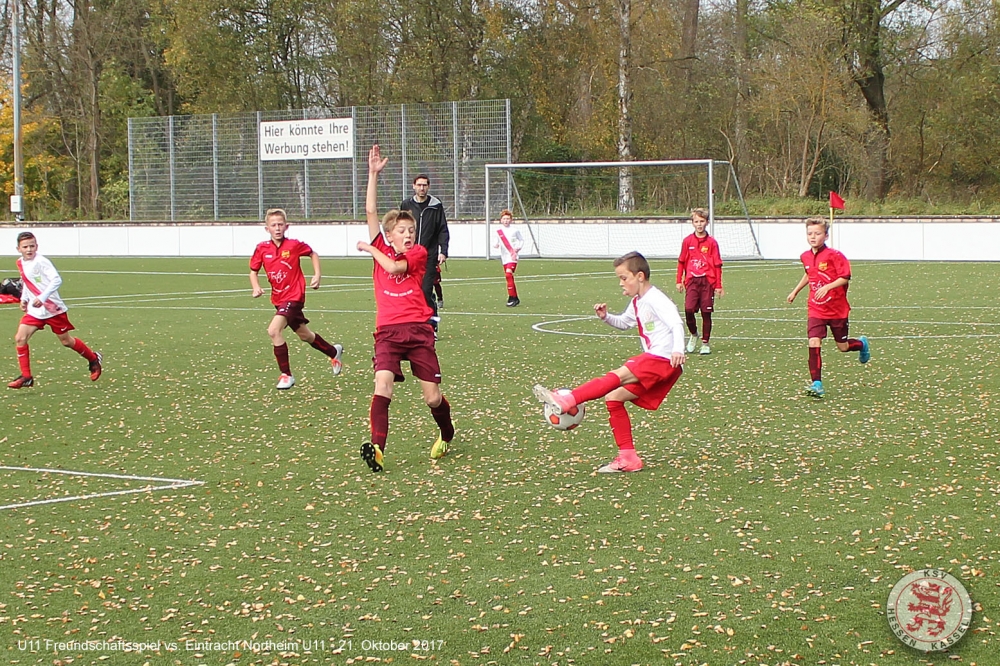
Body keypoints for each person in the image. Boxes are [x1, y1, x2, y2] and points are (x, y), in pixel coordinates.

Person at [533, 251, 685, 473]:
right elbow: (624, 323)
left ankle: (568, 400)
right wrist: (606, 317)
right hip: (661, 361)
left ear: (640, 276)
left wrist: (678, 348)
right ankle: (628, 458)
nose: (620, 283)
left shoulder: (656, 298)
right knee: (614, 398)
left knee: (619, 375)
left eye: (624, 278)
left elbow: (676, 323)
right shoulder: (638, 301)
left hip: (662, 358)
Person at [356, 145, 456, 473]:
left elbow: (394, 268)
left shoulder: (417, 254)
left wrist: (369, 249)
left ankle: (447, 432)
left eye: (411, 230)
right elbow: (370, 210)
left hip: (417, 331)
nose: (409, 235)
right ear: (389, 235)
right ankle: (377, 449)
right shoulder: (381, 245)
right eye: (402, 231)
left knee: (432, 398)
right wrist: (373, 174)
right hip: (387, 332)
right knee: (382, 385)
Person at [249, 209, 344, 390]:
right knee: (305, 335)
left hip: (294, 296)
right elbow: (253, 271)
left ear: (287, 226)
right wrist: (256, 287)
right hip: (278, 299)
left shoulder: (293, 245)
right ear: (267, 228)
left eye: (280, 224)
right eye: (273, 225)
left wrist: (317, 275)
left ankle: (286, 375)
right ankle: (333, 351)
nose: (277, 228)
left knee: (273, 331)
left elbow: (313, 254)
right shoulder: (262, 248)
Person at [786, 217, 870, 397]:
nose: (813, 237)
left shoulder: (835, 255)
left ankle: (861, 344)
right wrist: (795, 291)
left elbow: (845, 277)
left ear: (826, 236)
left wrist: (828, 287)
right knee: (813, 341)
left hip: (837, 309)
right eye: (809, 233)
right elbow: (809, 274)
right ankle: (817, 384)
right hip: (816, 308)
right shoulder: (805, 256)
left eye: (817, 233)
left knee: (843, 347)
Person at [8, 231, 102, 388]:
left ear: (37, 246)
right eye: (25, 247)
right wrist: (24, 298)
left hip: (53, 308)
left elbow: (56, 279)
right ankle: (26, 377)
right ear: (18, 249)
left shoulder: (41, 261)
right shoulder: (20, 263)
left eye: (32, 246)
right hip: (35, 310)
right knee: (20, 338)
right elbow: (27, 282)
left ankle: (93, 358)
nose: (29, 249)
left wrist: (42, 297)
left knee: (66, 341)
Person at [400, 173, 449, 333]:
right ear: (414, 186)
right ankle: (413, 324)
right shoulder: (406, 205)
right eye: (419, 185)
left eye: (424, 185)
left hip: (429, 256)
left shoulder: (436, 205)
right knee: (410, 292)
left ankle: (431, 327)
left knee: (426, 291)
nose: (422, 188)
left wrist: (443, 251)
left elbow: (442, 229)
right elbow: (399, 227)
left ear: (428, 187)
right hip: (409, 256)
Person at [676, 208, 723, 355]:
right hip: (692, 281)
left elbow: (717, 265)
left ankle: (705, 343)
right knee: (689, 310)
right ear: (692, 223)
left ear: (707, 222)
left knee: (706, 312)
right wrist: (679, 280)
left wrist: (718, 285)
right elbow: (681, 262)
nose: (699, 224)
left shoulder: (712, 243)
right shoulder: (687, 241)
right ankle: (694, 334)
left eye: (702, 221)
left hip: (707, 282)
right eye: (696, 221)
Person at [492, 209, 524, 306]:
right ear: (501, 220)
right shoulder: (498, 231)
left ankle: (511, 298)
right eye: (504, 219)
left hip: (513, 256)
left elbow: (521, 240)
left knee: (508, 274)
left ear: (511, 220)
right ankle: (515, 297)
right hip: (504, 257)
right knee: (508, 277)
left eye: (508, 219)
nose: (506, 220)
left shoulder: (514, 230)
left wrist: (518, 248)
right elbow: (495, 241)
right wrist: (495, 245)